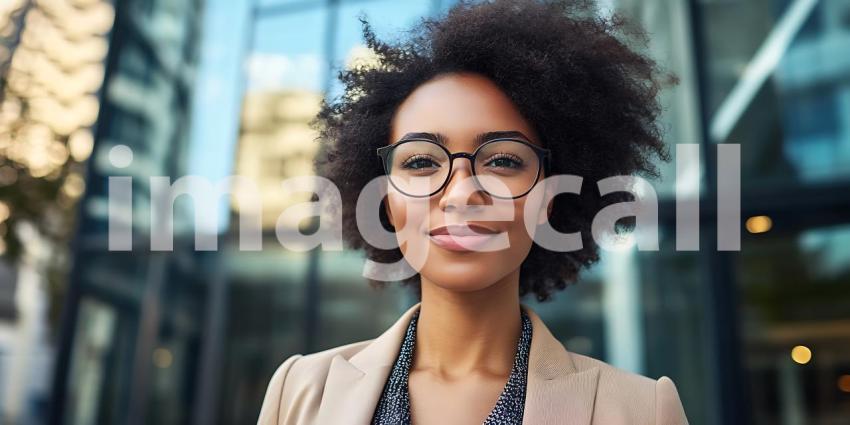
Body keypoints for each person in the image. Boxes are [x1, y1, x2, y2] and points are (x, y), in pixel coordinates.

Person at [258, 0, 688, 423]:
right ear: (385, 200)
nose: (462, 193)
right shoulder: (300, 393)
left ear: (550, 198)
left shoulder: (642, 409)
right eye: (422, 162)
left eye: (502, 161)